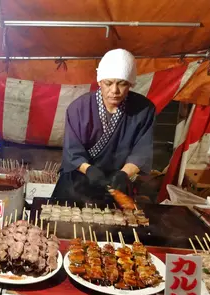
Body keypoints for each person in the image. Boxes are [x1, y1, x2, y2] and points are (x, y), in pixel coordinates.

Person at [52, 49, 155, 203]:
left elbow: (142, 151)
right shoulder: (79, 108)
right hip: (80, 180)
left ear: (131, 84)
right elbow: (72, 151)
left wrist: (124, 174)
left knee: (117, 224)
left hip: (116, 182)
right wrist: (89, 169)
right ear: (99, 81)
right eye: (108, 83)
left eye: (122, 84)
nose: (115, 90)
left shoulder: (143, 109)